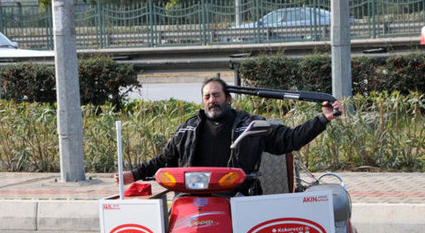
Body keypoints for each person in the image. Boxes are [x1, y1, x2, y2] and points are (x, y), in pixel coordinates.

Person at [115, 77, 343, 193]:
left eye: (216, 95)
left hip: (238, 197)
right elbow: (164, 160)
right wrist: (133, 175)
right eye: (207, 97)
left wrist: (323, 119)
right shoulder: (188, 129)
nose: (211, 100)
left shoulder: (251, 125)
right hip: (193, 198)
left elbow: (290, 139)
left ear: (229, 98)